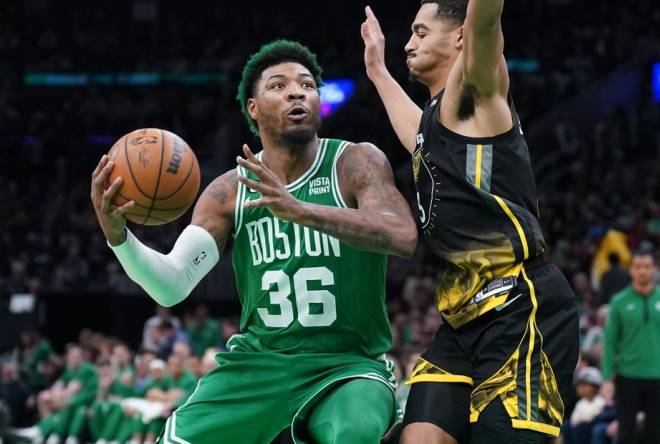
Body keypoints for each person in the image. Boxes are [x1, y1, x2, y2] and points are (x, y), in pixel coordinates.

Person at [89, 39, 417, 443]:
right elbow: (172, 285)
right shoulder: (229, 192)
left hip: (348, 365)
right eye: (278, 85)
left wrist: (301, 210)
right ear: (253, 108)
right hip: (259, 364)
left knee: (355, 435)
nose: (297, 91)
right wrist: (119, 238)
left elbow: (401, 234)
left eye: (307, 84)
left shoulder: (355, 162)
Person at [361, 1, 579, 442]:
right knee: (418, 436)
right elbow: (416, 137)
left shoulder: (477, 89)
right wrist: (377, 71)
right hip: (461, 319)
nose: (408, 43)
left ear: (460, 37)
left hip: (519, 307)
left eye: (421, 32)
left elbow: (487, 16)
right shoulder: (438, 121)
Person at [601, 251, 660, 444]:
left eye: (647, 267)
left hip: (659, 374)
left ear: (654, 270)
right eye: (638, 267)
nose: (643, 271)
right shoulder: (619, 301)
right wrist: (607, 378)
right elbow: (610, 343)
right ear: (631, 270)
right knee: (626, 432)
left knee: (655, 432)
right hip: (627, 375)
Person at [11, 345, 99, 444]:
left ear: (82, 357)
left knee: (66, 407)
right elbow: (59, 384)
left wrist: (71, 400)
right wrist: (54, 393)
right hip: (68, 399)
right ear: (68, 358)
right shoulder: (70, 370)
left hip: (84, 403)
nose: (75, 359)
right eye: (72, 357)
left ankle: (43, 431)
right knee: (43, 397)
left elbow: (92, 393)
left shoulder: (88, 370)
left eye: (77, 356)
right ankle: (44, 431)